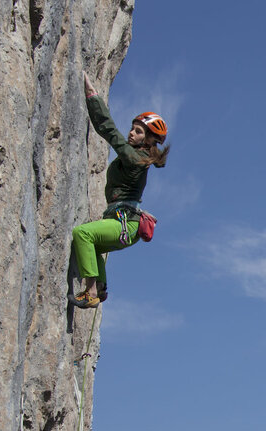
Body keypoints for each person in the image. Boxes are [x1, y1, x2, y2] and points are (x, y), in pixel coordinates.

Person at [71, 71, 169, 308]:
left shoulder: (133, 157)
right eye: (132, 128)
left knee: (82, 234)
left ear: (148, 140)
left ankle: (91, 291)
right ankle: (101, 288)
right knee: (92, 244)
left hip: (125, 223)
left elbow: (109, 131)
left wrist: (92, 95)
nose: (131, 133)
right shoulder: (137, 157)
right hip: (123, 221)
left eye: (138, 131)